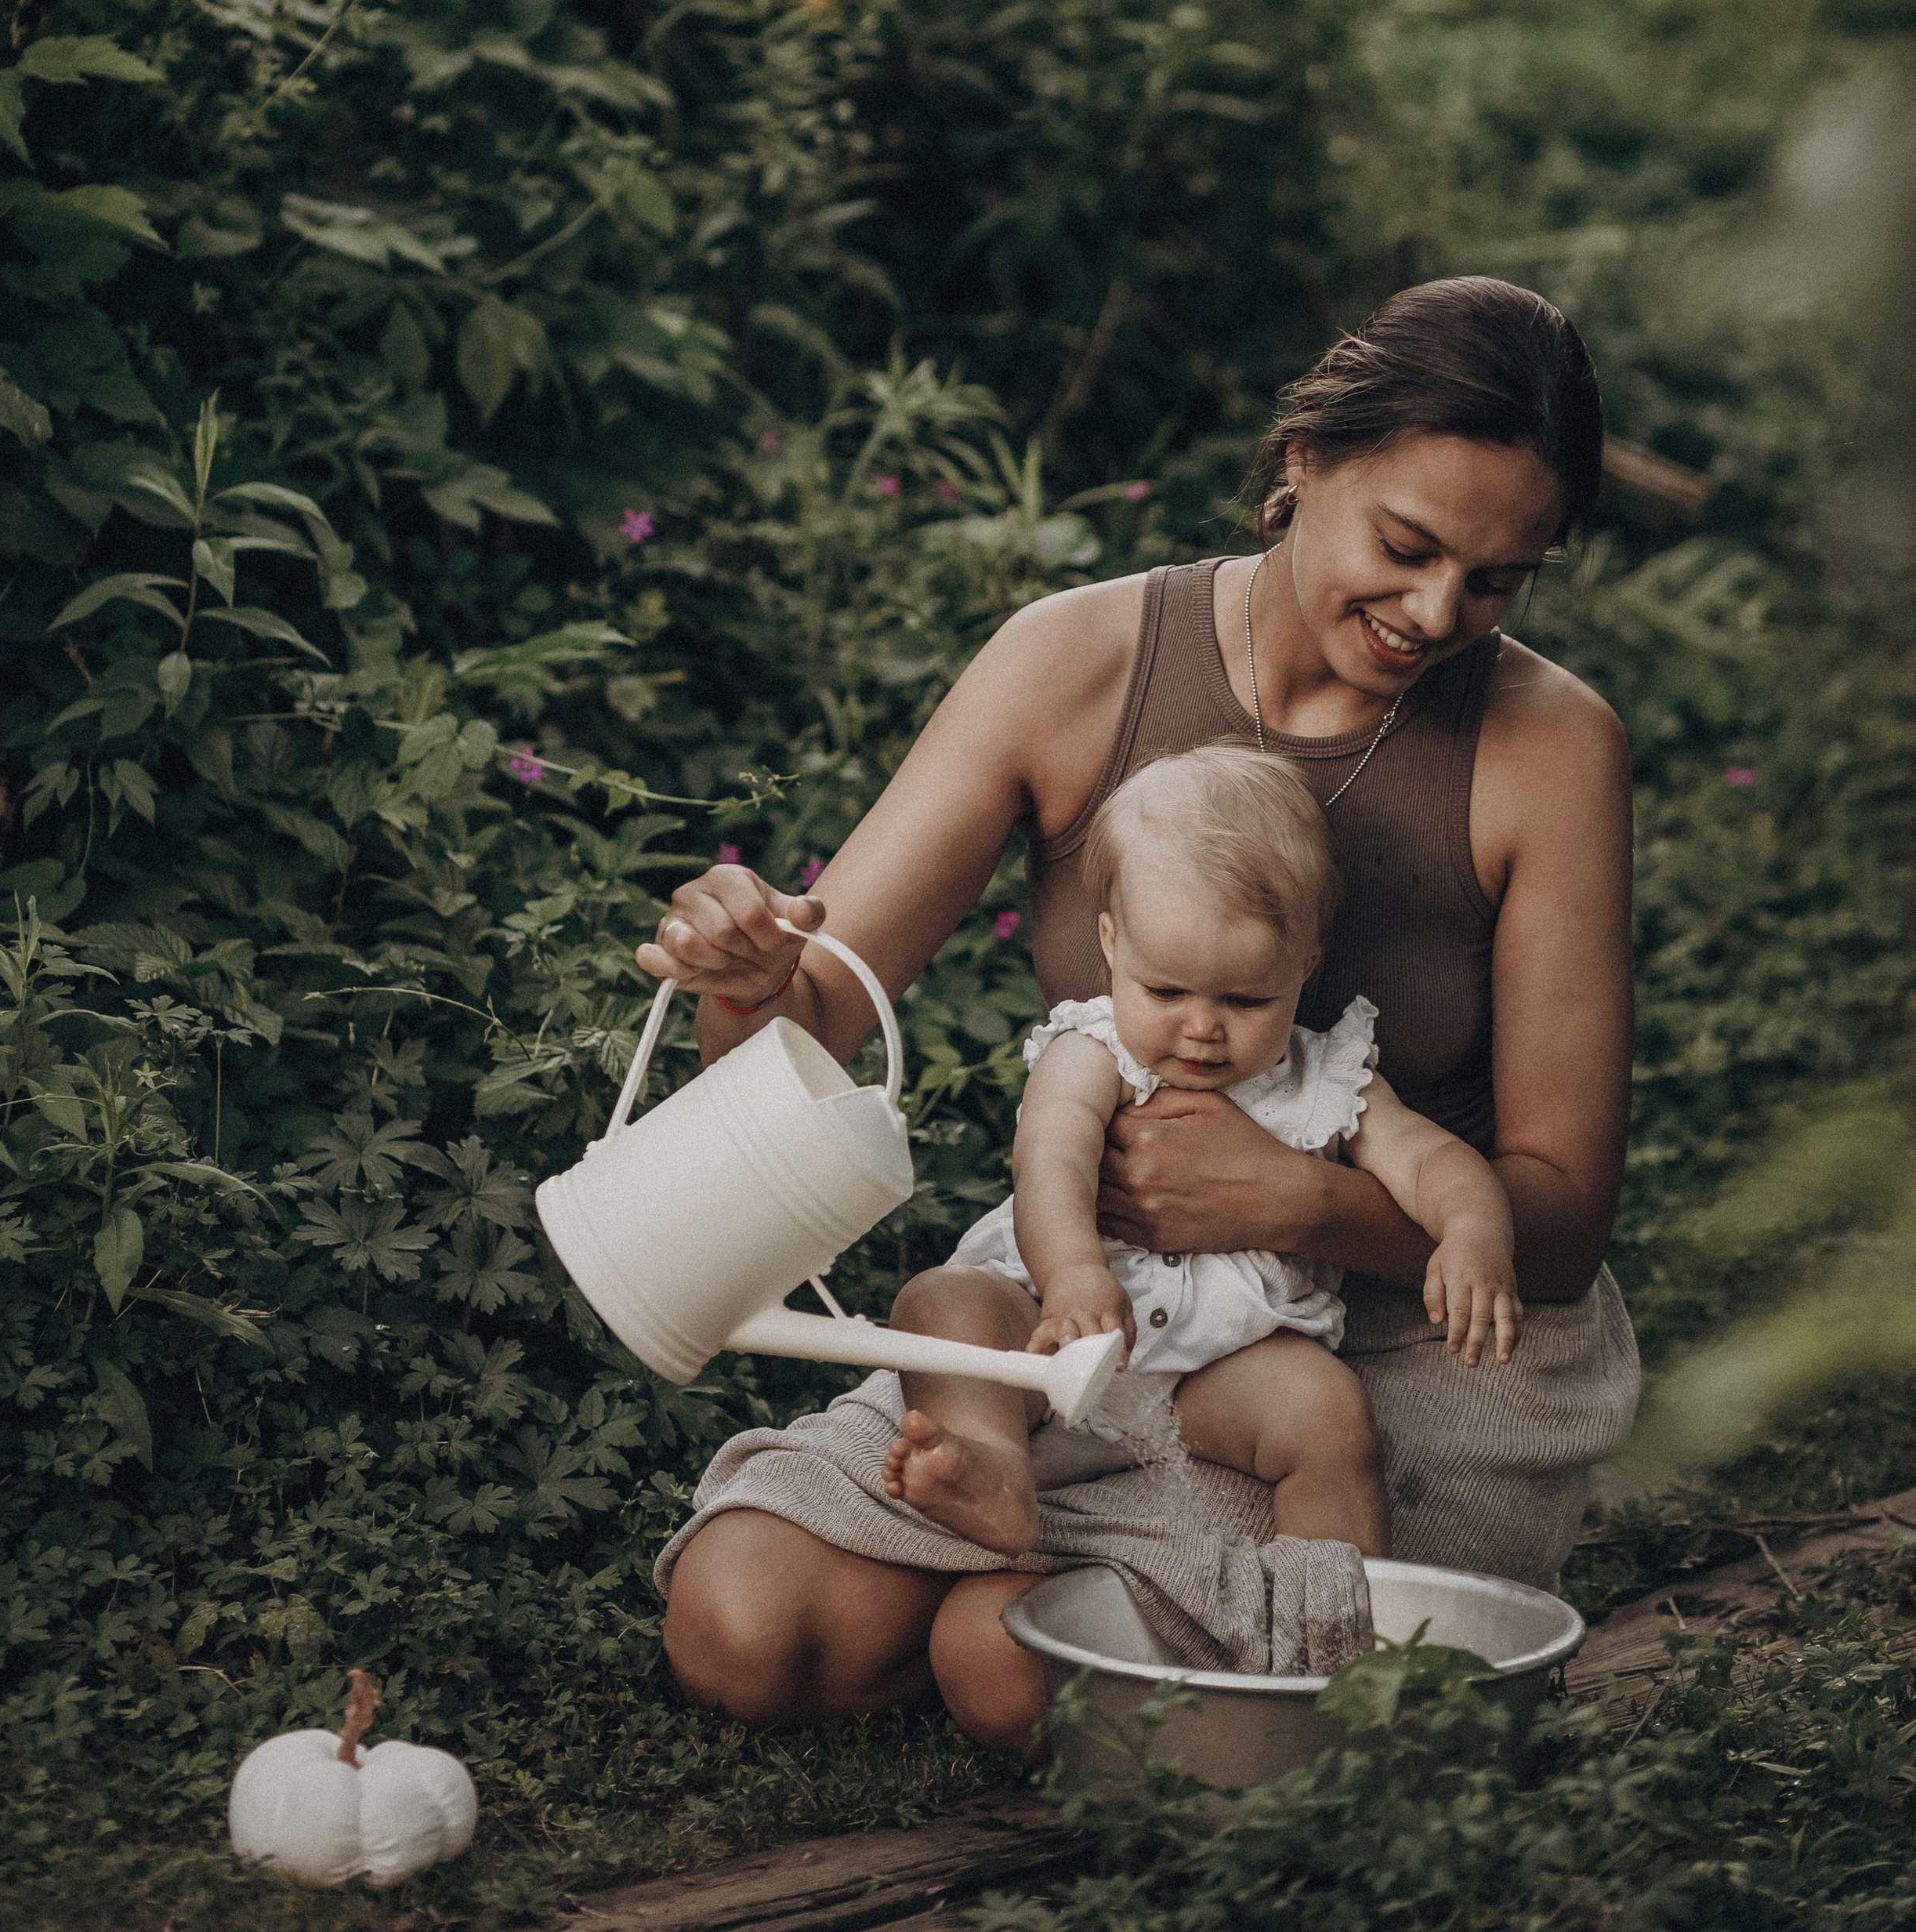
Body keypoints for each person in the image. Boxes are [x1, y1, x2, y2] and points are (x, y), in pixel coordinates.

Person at [644, 276, 1638, 1750]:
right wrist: (746, 977)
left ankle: (1081, 1601)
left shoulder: (1547, 746)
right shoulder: (1076, 662)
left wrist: (1299, 1199)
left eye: (1496, 582)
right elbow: (807, 1035)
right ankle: (1067, 1558)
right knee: (746, 1626)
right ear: (1304, 462)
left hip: (1392, 1357)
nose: (1439, 614)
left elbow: (1556, 1226)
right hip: (1092, 1314)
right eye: (1409, 547)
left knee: (1007, 1656)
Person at [882, 741, 1520, 1561]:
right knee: (940, 1306)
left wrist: (1472, 1233)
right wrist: (1073, 1271)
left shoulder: (1324, 1074)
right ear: (1111, 944)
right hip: (1056, 1328)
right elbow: (1051, 1160)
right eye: (1166, 990)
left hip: (1223, 1369)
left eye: (1246, 998)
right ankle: (995, 1470)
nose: (1201, 1028)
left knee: (1327, 1415)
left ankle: (1342, 1620)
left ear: (1304, 966)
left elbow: (1433, 1162)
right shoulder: (1094, 1049)